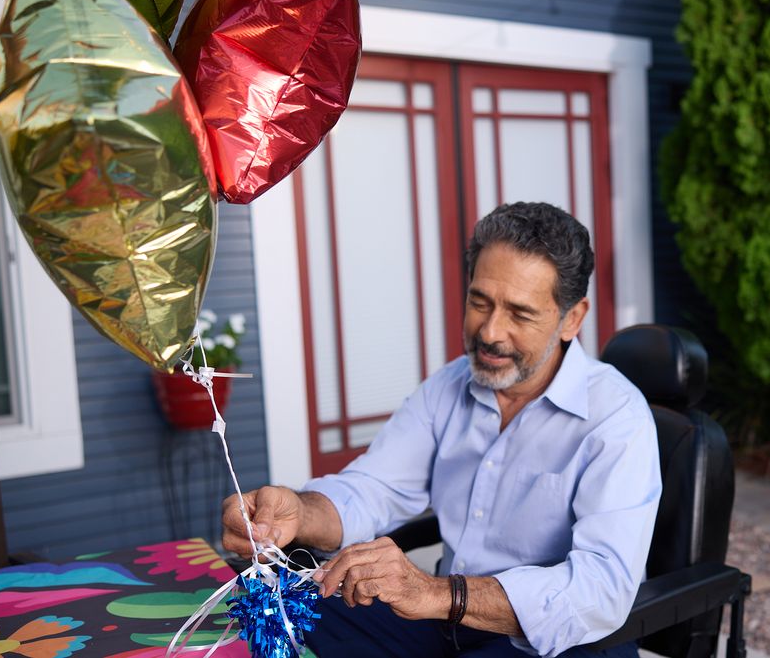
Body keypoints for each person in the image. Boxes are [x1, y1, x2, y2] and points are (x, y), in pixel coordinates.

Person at [222, 202, 661, 658]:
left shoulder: (617, 419)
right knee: (275, 614)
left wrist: (436, 594)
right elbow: (375, 487)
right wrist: (298, 512)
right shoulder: (451, 386)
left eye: (520, 314)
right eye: (479, 302)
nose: (490, 331)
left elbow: (600, 589)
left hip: (554, 642)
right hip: (445, 622)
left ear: (572, 317)